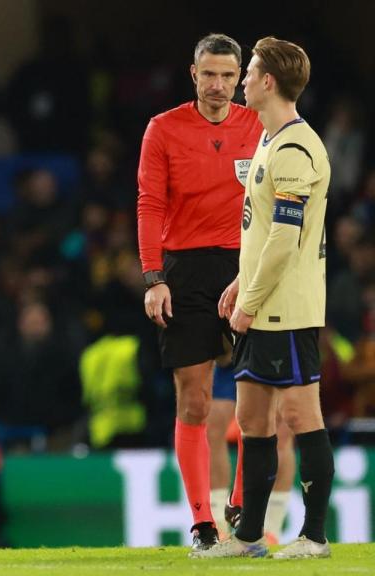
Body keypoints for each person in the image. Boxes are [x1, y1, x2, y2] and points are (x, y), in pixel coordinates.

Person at [195, 36, 332, 560]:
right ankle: (249, 536)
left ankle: (314, 536)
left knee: (302, 418)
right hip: (259, 299)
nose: (242, 82)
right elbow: (260, 231)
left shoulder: (295, 147)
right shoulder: (272, 140)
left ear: (268, 82)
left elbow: (284, 238)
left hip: (285, 308)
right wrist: (238, 283)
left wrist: (249, 300)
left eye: (248, 73)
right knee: (252, 421)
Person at [136, 33, 262, 552]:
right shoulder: (163, 129)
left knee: (258, 400)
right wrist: (153, 277)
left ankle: (239, 507)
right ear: (193, 74)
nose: (218, 85)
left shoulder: (261, 125)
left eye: (228, 76)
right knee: (196, 399)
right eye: (208, 74)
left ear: (242, 78)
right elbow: (150, 204)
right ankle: (202, 523)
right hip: (184, 270)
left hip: (248, 265)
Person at [208, 359, 296, 543]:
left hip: (270, 339)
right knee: (212, 426)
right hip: (231, 348)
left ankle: (271, 529)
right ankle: (218, 524)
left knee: (278, 429)